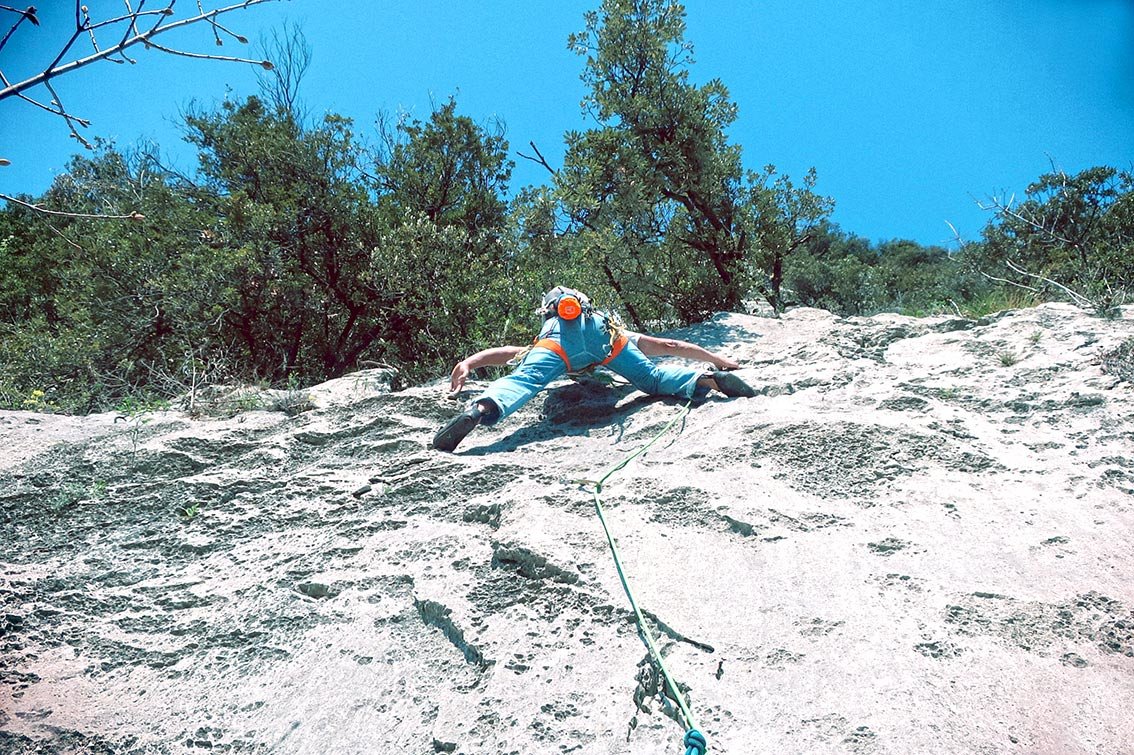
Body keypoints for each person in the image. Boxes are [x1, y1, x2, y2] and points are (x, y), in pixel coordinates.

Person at [432, 286, 754, 452]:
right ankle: (709, 380)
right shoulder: (612, 330)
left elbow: (510, 355)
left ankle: (480, 409)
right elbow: (669, 345)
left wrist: (469, 362)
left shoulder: (551, 336)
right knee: (653, 379)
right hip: (603, 335)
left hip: (557, 342)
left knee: (523, 381)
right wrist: (716, 359)